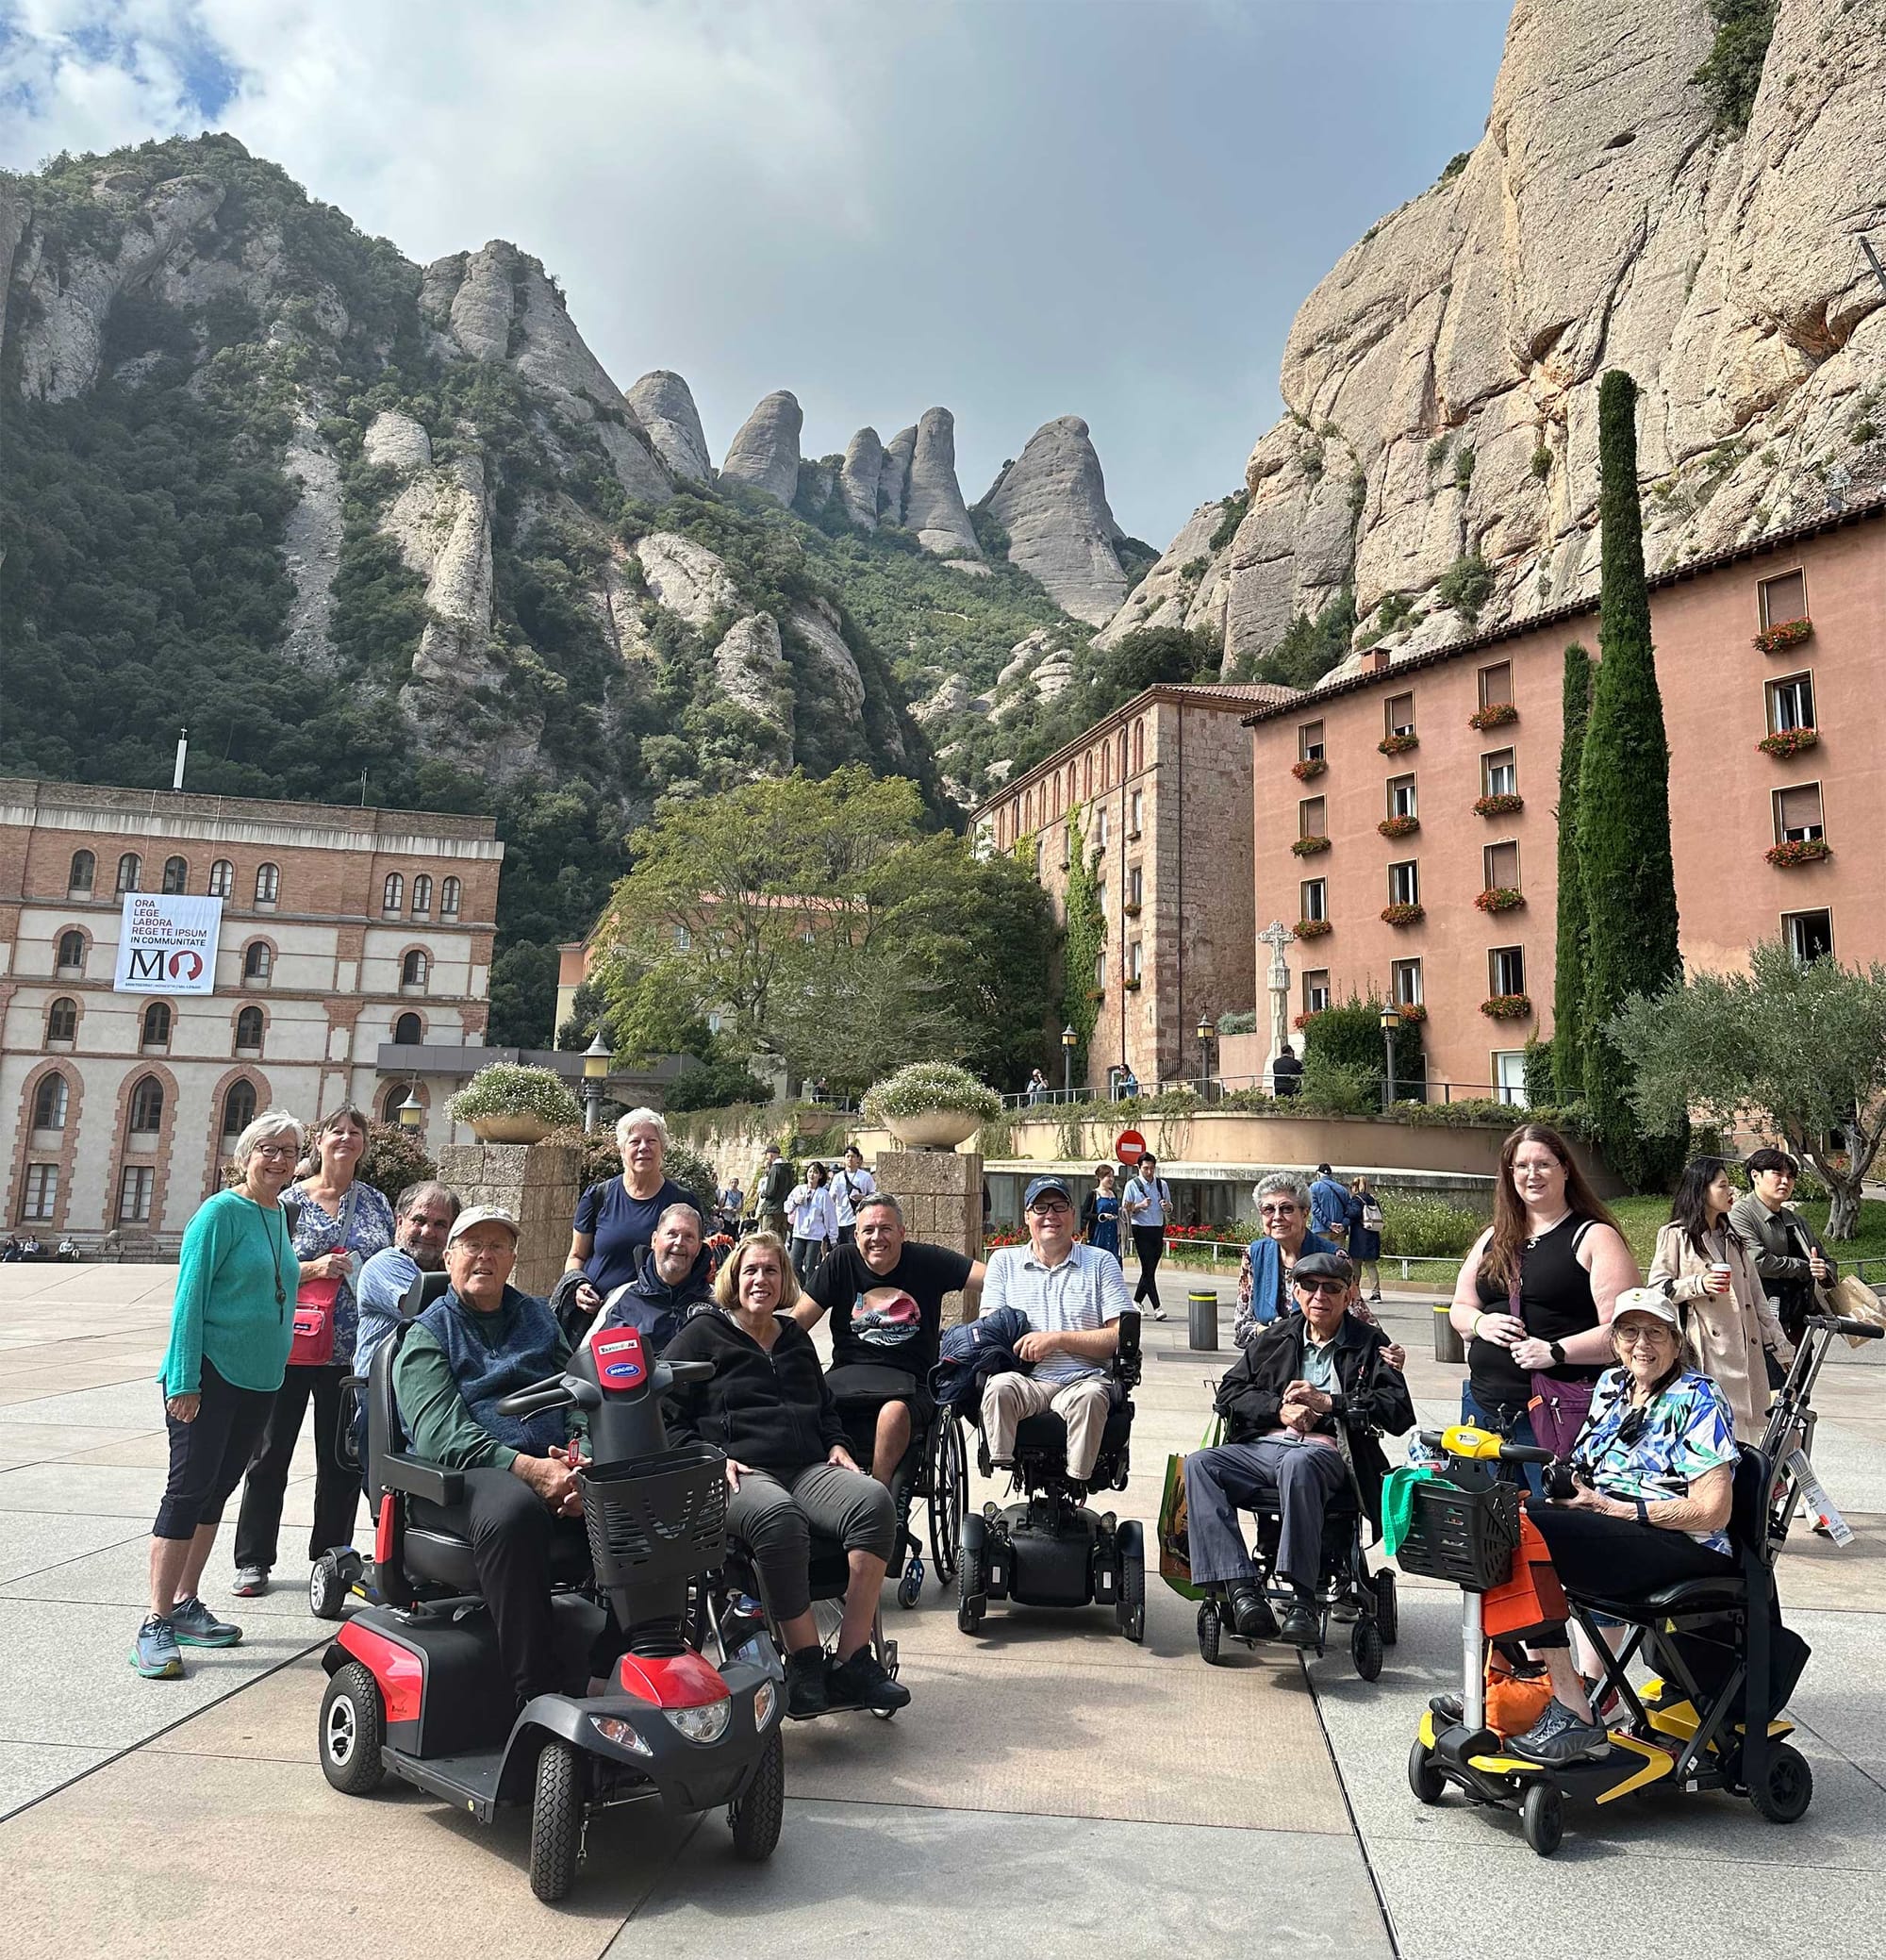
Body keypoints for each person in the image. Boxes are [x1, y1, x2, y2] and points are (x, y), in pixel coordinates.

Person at [662, 1234, 908, 1718]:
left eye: (771, 1271)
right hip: (738, 1472)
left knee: (874, 1501)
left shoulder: (793, 1337)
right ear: (734, 1276)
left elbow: (825, 1407)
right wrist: (708, 1455)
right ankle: (805, 1663)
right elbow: (666, 1419)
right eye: (751, 1270)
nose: (761, 1280)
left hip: (807, 1466)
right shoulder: (701, 1336)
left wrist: (838, 1444)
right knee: (779, 1517)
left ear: (785, 1280)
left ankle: (855, 1657)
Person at [1499, 1288, 1741, 1766]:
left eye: (1655, 1332)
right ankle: (1519, 1687)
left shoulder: (1698, 1396)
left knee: (1523, 1532)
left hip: (1681, 1542)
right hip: (1615, 1527)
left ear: (1677, 1343)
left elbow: (1714, 1511)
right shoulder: (1612, 1384)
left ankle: (1574, 1708)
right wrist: (1569, 1488)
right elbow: (1589, 1466)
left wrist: (1612, 1509)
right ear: (1614, 1341)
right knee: (1496, 1520)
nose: (1641, 1344)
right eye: (1629, 1331)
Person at [391, 1207, 591, 1706]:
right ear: (450, 1256)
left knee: (637, 1493)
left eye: (498, 1246)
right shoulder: (426, 1334)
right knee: (515, 1510)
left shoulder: (540, 1318)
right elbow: (443, 1437)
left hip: (554, 1466)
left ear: (513, 1259)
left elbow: (579, 1397)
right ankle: (534, 1691)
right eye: (472, 1245)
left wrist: (578, 1460)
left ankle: (622, 1663)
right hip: (463, 1480)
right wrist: (530, 1471)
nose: (485, 1256)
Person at [134, 1110, 306, 1678]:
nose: (279, 1159)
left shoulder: (279, 1212)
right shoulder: (219, 1213)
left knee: (217, 1492)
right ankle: (155, 1621)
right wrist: (183, 1380)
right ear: (247, 1153)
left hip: (260, 1379)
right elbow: (189, 1297)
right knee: (186, 1493)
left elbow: (269, 1284)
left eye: (288, 1150)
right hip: (209, 1375)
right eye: (269, 1149)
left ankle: (186, 1605)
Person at [1185, 1253, 1414, 1645]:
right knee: (1200, 1465)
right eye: (1309, 1286)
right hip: (1265, 1446)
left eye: (1331, 1288)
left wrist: (1329, 1404)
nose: (1319, 1295)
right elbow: (1231, 1390)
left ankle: (1302, 1599)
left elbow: (1397, 1412)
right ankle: (1242, 1589)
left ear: (1347, 1296)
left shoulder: (1369, 1343)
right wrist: (1280, 1409)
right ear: (1295, 1292)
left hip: (1328, 1452)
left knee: (1299, 1461)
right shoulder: (1276, 1337)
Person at [231, 1104, 393, 1598]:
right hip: (290, 1346)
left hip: (350, 1350)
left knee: (340, 1461)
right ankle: (253, 1559)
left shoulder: (376, 1203)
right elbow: (263, 1269)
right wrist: (315, 1268)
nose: (345, 1138)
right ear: (318, 1143)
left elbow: (389, 1264)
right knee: (269, 1454)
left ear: (363, 1144)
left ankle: (332, 1559)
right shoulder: (287, 1202)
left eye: (355, 1132)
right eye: (335, 1131)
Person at [1447, 1122, 1639, 1490]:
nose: (1531, 1174)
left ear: (1565, 1169)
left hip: (1556, 1414)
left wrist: (1555, 1351)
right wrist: (1480, 1322)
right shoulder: (1493, 1237)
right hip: (1483, 1410)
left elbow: (1624, 1333)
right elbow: (1460, 1307)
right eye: (1521, 1166)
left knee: (1553, 1527)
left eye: (1543, 1164)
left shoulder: (1594, 1237)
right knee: (1486, 1531)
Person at [795, 1192, 984, 1483]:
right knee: (801, 1402)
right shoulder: (841, 1261)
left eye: (885, 1229)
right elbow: (797, 1324)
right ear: (856, 1235)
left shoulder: (926, 1260)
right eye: (868, 1230)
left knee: (893, 1413)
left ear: (901, 1232)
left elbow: (991, 1277)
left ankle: (878, 1501)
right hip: (847, 1377)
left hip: (911, 1383)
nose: (876, 1238)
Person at [978, 1175, 1132, 1487]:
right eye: (1040, 1207)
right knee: (998, 1388)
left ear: (1073, 1213)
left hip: (1082, 1380)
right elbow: (992, 1331)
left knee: (1091, 1397)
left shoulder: (1101, 1263)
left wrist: (1057, 1339)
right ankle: (1002, 1460)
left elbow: (1117, 1337)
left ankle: (1078, 1478)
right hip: (1026, 1381)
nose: (1051, 1215)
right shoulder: (1003, 1262)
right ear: (1027, 1216)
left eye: (1059, 1206)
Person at [1649, 1156, 1793, 1437]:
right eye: (1723, 1185)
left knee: (1746, 1439)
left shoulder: (1734, 1238)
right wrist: (1698, 1284)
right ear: (1701, 1189)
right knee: (1709, 1434)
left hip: (1745, 1352)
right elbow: (1657, 1290)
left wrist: (1781, 1346)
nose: (1731, 1193)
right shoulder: (1675, 1235)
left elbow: (1757, 1300)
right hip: (1705, 1353)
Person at [564, 1109, 697, 1336]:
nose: (643, 1147)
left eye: (651, 1141)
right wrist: (578, 1285)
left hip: (655, 1325)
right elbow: (577, 1257)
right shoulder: (598, 1196)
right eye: (635, 1141)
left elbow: (695, 1263)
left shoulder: (682, 1201)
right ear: (622, 1149)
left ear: (662, 1148)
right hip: (594, 1319)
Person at [354, 1181, 461, 1379]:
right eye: (419, 1220)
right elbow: (431, 1316)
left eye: (440, 1224)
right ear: (400, 1222)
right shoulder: (385, 1265)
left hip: (431, 1385)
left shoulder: (448, 1268)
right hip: (383, 1394)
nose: (428, 1232)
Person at [1729, 1147, 1834, 1351]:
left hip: (1799, 1319)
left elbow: (1827, 1262)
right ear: (1755, 1176)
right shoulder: (1739, 1215)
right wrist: (1803, 1267)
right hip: (1762, 1319)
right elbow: (1757, 1262)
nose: (1785, 1182)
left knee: (1802, 1379)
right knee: (1772, 1380)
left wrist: (1824, 1272)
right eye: (1777, 1174)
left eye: (1790, 1176)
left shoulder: (1796, 1221)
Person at [1233, 1172, 1339, 1347]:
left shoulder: (1333, 1258)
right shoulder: (1254, 1255)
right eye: (1268, 1209)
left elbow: (1358, 1320)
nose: (1276, 1217)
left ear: (1305, 1213)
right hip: (1269, 1360)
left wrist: (1386, 1351)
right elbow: (1242, 1327)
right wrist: (1271, 1332)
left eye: (1287, 1208)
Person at [593, 1202, 715, 1354]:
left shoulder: (716, 1302)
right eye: (672, 1234)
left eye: (689, 1237)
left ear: (698, 1248)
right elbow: (588, 1361)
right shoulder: (621, 1298)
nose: (679, 1243)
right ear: (654, 1240)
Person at [1121, 1154, 1172, 1321]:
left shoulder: (1161, 1184)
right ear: (1139, 1168)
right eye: (1145, 1168)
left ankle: (1136, 1301)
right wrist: (1139, 1206)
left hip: (1157, 1227)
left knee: (1149, 1269)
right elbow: (1125, 1209)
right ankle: (1158, 1307)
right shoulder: (1132, 1185)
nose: (1149, 1172)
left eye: (1151, 1168)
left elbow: (1170, 1206)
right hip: (1140, 1228)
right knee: (1147, 1267)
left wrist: (1167, 1206)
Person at [785, 1159, 837, 1282]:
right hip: (799, 1232)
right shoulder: (799, 1189)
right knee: (794, 1264)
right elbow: (786, 1207)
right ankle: (801, 1286)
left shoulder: (823, 1194)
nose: (812, 1175)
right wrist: (794, 1202)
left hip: (815, 1235)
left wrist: (833, 1236)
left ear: (820, 1176)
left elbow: (830, 1216)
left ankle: (810, 1290)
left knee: (809, 1266)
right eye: (810, 1171)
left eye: (815, 1172)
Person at [1346, 1176, 1384, 1304]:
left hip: (1359, 1236)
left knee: (1356, 1265)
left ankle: (1356, 1291)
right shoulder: (1373, 1199)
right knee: (1371, 1265)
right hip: (1373, 1235)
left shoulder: (1357, 1200)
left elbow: (1354, 1214)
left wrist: (1346, 1212)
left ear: (1355, 1187)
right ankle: (1376, 1292)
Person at [831, 1144, 877, 1248]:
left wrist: (863, 1197)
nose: (850, 1159)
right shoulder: (838, 1177)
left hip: (857, 1217)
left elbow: (874, 1195)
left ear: (858, 1159)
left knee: (854, 1247)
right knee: (840, 1249)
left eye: (853, 1156)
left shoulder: (865, 1176)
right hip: (840, 1218)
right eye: (848, 1156)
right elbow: (831, 1199)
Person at [1081, 1164, 1122, 1263]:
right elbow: (1084, 1213)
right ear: (1100, 1177)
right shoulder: (1094, 1194)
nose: (1111, 1179)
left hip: (1112, 1232)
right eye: (1108, 1176)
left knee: (1112, 1260)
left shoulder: (1114, 1194)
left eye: (1112, 1176)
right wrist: (1101, 1216)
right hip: (1098, 1233)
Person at [753, 1143, 795, 1237]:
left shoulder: (775, 1169)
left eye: (766, 1155)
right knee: (781, 1239)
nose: (766, 1158)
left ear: (771, 1155)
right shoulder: (788, 1169)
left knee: (768, 1239)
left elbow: (770, 1191)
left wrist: (763, 1194)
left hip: (772, 1210)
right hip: (783, 1209)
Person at [1309, 1163, 1349, 1250]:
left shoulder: (1314, 1187)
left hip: (1320, 1229)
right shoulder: (1342, 1189)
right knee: (1337, 1259)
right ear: (1331, 1175)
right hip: (1339, 1231)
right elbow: (1349, 1212)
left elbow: (1315, 1209)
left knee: (1321, 1259)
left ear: (1318, 1174)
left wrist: (1329, 1224)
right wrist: (1342, 1224)